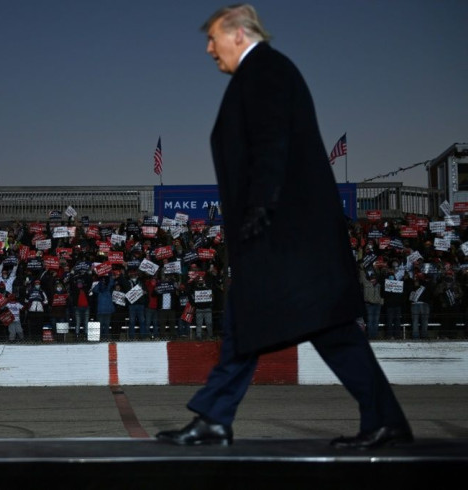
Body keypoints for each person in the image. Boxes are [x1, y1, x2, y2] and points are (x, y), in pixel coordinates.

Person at [156, 4, 412, 450]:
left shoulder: (265, 70)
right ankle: (382, 419)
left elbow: (272, 140)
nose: (208, 48)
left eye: (213, 37)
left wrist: (260, 206)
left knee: (293, 323)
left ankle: (217, 419)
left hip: (282, 233)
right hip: (287, 234)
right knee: (291, 324)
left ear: (238, 35)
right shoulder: (261, 72)